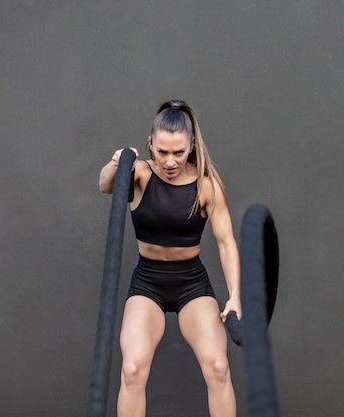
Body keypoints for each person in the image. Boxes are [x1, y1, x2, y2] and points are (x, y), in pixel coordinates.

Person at [99, 99, 241, 417]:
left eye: (178, 152)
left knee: (218, 368)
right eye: (162, 152)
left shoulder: (207, 186)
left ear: (191, 146)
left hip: (191, 283)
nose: (170, 161)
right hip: (148, 282)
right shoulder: (139, 174)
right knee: (132, 370)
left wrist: (235, 297)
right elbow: (105, 185)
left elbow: (226, 243)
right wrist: (116, 163)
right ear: (151, 145)